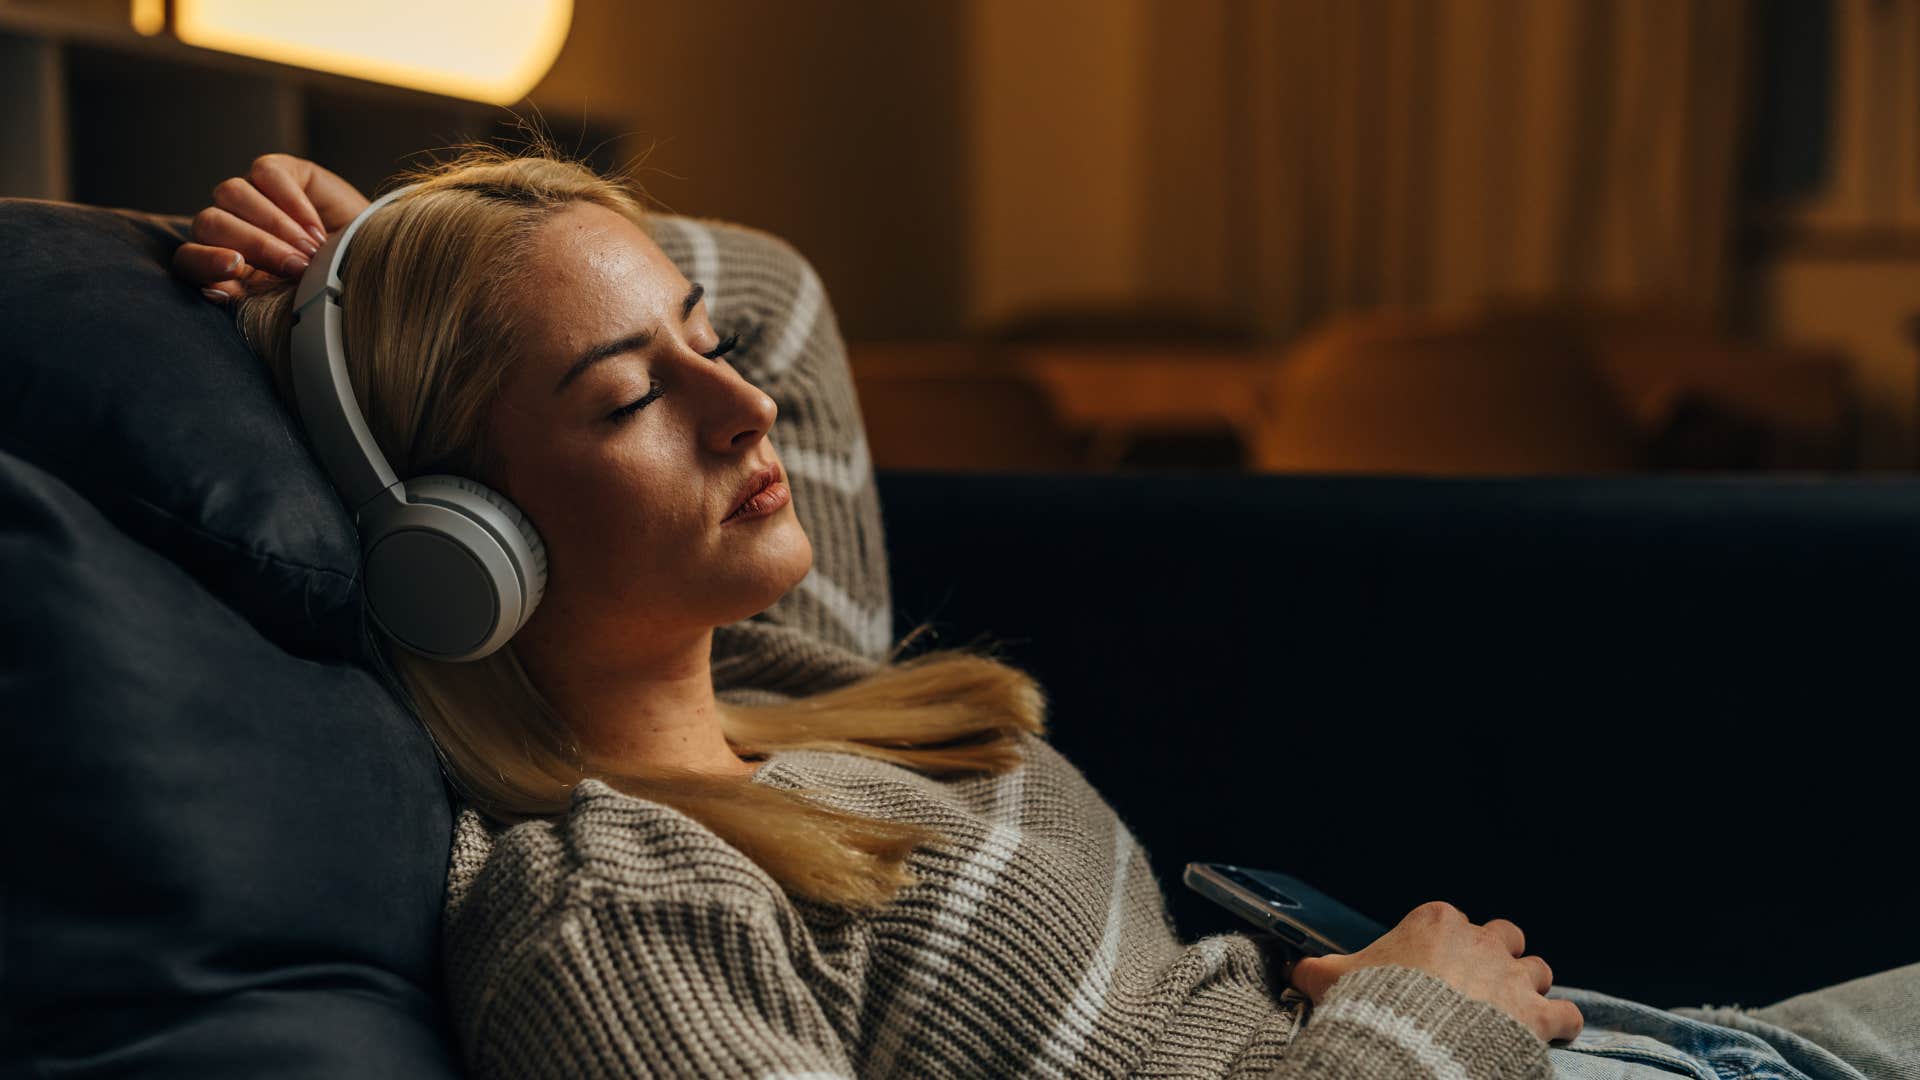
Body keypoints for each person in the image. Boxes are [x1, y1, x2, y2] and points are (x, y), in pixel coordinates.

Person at [172, 149, 1918, 1080]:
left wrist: (394, 246)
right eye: (634, 395)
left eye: (692, 344)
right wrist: (1417, 1030)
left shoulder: (788, 683)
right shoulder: (618, 904)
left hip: (1673, 1046)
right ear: (459, 541)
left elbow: (769, 290)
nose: (740, 406)